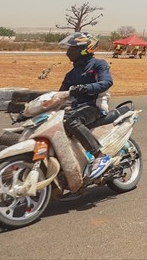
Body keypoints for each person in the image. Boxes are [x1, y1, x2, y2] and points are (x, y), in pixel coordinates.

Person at [58, 32, 115, 181]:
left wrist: (86, 88)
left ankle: (99, 156)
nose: (68, 52)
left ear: (86, 49)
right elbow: (60, 95)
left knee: (71, 122)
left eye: (73, 48)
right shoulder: (71, 73)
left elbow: (106, 82)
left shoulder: (98, 64)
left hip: (95, 106)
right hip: (78, 107)